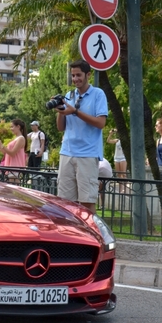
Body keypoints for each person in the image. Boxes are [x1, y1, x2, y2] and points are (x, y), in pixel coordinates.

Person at [53, 59, 108, 212]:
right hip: (67, 153)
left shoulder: (98, 94)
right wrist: (60, 110)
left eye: (78, 75)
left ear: (88, 75)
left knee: (87, 203)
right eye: (73, 75)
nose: (75, 79)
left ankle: (89, 234)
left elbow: (100, 123)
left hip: (88, 154)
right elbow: (60, 128)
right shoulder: (69, 95)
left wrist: (75, 112)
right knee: (65, 203)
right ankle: (68, 234)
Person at [107, 128, 127, 192]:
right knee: (118, 175)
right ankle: (121, 189)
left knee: (123, 174)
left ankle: (125, 188)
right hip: (116, 158)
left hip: (123, 158)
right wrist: (111, 133)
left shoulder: (125, 140)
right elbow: (108, 141)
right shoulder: (117, 140)